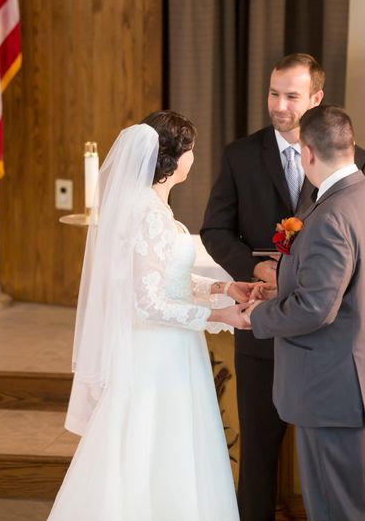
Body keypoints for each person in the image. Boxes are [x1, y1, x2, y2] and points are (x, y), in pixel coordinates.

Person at [48, 111, 256, 521]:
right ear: (174, 159)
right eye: (191, 150)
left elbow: (167, 279)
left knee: (171, 447)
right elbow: (149, 303)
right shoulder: (148, 215)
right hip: (156, 353)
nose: (194, 158)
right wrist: (222, 317)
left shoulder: (152, 209)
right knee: (153, 447)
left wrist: (222, 288)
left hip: (174, 347)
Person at [200, 53, 365, 520]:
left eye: (292, 96)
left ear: (317, 98)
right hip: (263, 331)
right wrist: (257, 270)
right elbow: (215, 230)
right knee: (258, 453)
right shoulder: (240, 154)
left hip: (326, 341)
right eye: (273, 93)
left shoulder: (357, 162)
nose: (279, 105)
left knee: (331, 464)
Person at [243, 105, 365, 521]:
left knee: (336, 512)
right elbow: (362, 284)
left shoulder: (330, 215)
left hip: (333, 389)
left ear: (308, 154)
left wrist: (252, 317)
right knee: (358, 507)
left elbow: (316, 309)